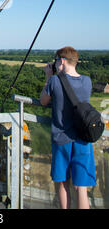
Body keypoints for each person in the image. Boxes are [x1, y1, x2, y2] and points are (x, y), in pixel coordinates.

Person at [40, 46, 96, 209]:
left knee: (63, 183)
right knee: (82, 188)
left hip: (61, 139)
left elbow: (44, 101)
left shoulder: (54, 81)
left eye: (56, 61)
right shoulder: (87, 81)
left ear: (62, 61)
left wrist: (49, 76)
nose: (55, 64)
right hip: (83, 139)